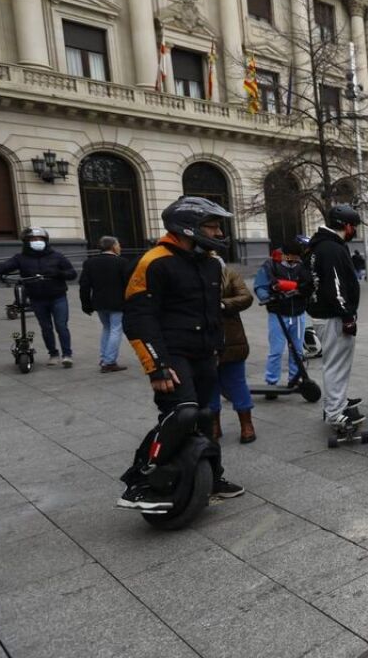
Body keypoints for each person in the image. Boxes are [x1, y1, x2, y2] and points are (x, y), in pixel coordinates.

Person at [117, 197, 243, 511]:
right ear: (188, 227)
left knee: (205, 415)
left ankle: (212, 477)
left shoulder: (212, 263)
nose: (217, 232)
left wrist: (217, 350)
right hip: (171, 354)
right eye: (211, 226)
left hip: (205, 354)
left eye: (217, 226)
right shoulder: (154, 261)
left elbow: (212, 311)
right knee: (181, 413)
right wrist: (156, 366)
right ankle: (142, 478)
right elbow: (137, 319)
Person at [0, 227, 77, 367]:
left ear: (46, 241)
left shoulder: (57, 256)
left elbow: (72, 273)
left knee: (61, 326)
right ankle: (53, 354)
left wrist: (60, 273)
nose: (37, 241)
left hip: (57, 297)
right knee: (46, 327)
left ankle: (67, 355)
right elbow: (4, 266)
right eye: (34, 239)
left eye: (40, 239)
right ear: (27, 242)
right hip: (37, 298)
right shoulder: (20, 258)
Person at [308, 205, 364, 426]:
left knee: (336, 362)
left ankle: (336, 400)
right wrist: (347, 315)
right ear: (347, 226)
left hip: (326, 313)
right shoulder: (331, 248)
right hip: (333, 316)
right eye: (355, 227)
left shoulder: (320, 245)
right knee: (336, 364)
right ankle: (334, 412)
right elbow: (335, 285)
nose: (355, 231)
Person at [254, 238, 314, 391]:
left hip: (298, 313)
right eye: (292, 257)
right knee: (276, 350)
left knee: (298, 350)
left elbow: (309, 285)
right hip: (278, 314)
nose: (294, 260)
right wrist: (267, 298)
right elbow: (260, 286)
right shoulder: (270, 265)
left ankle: (295, 379)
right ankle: (271, 382)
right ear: (286, 254)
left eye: (297, 257)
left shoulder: (302, 265)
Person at [210, 258, 257, 443]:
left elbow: (246, 297)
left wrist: (222, 304)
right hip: (202, 339)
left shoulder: (228, 273)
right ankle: (214, 425)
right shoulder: (188, 273)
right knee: (209, 383)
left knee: (237, 382)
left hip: (230, 337)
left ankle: (247, 425)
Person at [79, 236, 130, 372]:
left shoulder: (90, 263)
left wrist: (86, 304)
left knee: (107, 328)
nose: (120, 247)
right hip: (118, 302)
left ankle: (104, 358)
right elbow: (129, 284)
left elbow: (84, 285)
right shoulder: (122, 262)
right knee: (115, 330)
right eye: (118, 244)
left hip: (99, 302)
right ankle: (109, 362)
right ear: (113, 246)